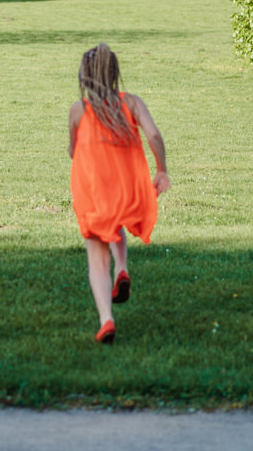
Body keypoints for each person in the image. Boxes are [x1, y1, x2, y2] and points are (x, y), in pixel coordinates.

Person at [68, 43, 171, 344]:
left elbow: (73, 151)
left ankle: (106, 320)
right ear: (115, 73)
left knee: (97, 257)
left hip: (93, 189)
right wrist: (161, 170)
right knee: (118, 220)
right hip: (127, 185)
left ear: (84, 77)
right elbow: (153, 134)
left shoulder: (80, 109)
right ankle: (123, 268)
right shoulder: (132, 103)